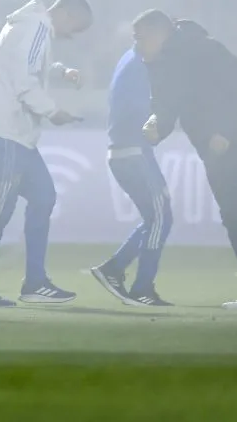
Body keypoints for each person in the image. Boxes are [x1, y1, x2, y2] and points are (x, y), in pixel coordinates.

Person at [134, 9, 237, 310]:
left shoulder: (203, 48)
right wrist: (157, 125)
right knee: (231, 213)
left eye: (141, 38)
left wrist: (226, 130)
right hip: (210, 147)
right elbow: (166, 105)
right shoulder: (159, 64)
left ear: (160, 33)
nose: (137, 45)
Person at [0, 0, 91, 307]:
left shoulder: (26, 26)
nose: (71, 36)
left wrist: (59, 71)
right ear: (68, 14)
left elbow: (28, 66)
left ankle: (34, 282)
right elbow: (24, 81)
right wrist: (52, 111)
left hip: (16, 136)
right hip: (6, 134)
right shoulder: (37, 28)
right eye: (76, 28)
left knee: (44, 196)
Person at [90, 46, 173, 306]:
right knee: (161, 217)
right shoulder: (141, 64)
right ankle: (141, 288)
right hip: (134, 152)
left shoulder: (129, 59)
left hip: (123, 152)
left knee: (155, 218)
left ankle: (114, 269)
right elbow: (142, 108)